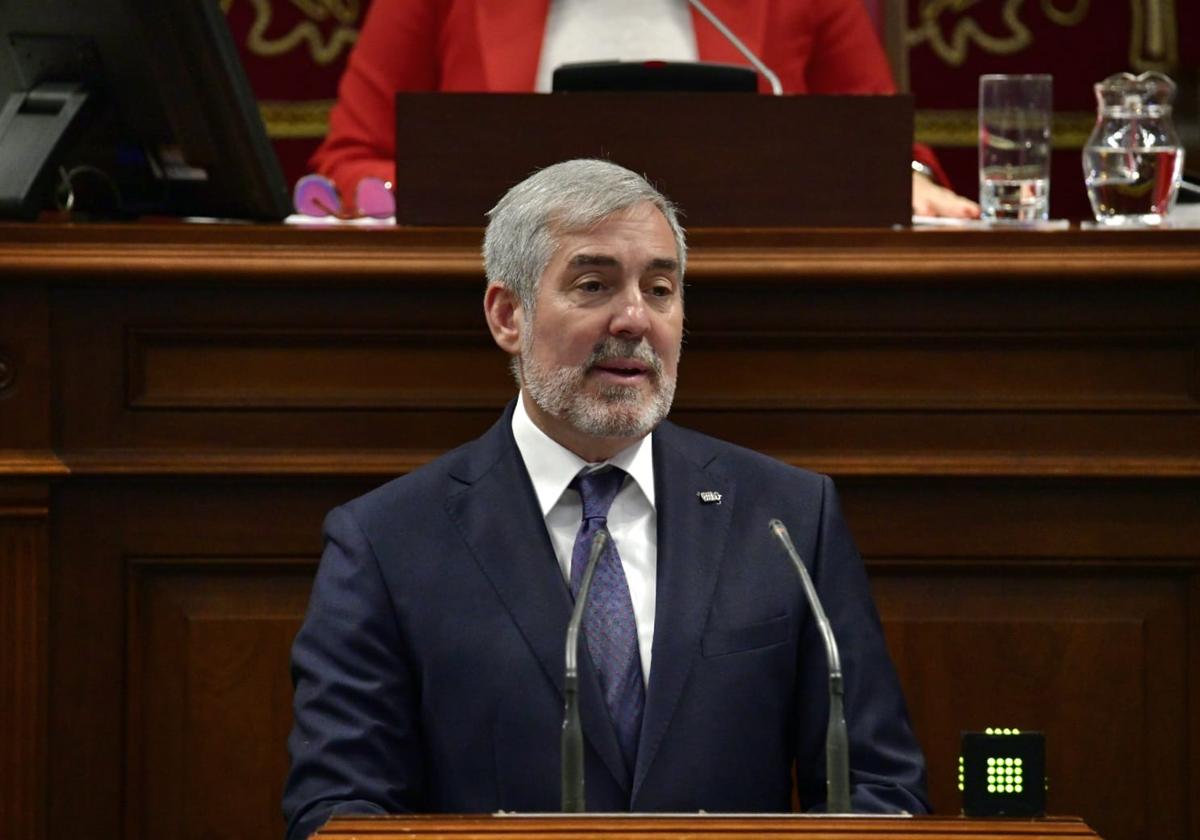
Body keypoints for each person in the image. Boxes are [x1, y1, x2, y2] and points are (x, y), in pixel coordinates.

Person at [283, 158, 929, 840]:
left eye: (660, 289)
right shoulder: (388, 542)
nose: (634, 319)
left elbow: (879, 790)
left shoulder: (788, 518)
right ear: (509, 315)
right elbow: (338, 812)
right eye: (594, 286)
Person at [310, 0, 978, 218]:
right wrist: (419, 197)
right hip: (495, 312)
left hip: (756, 309)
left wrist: (905, 184)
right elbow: (352, 157)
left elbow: (885, 149)